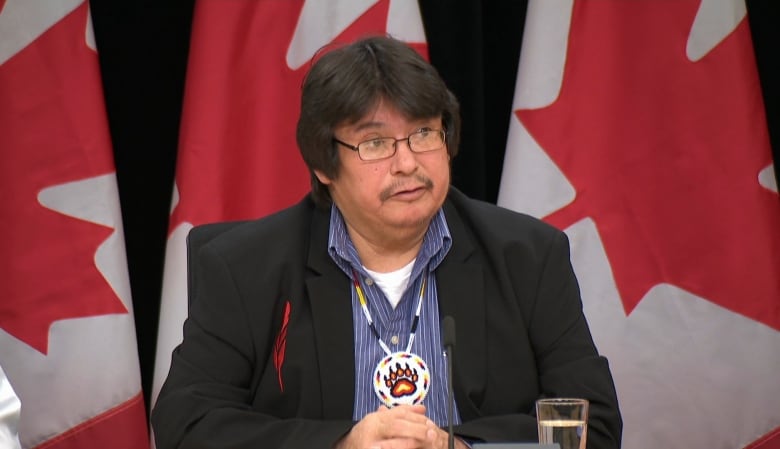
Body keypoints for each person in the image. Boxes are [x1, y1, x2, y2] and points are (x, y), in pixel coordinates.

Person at [151, 35, 622, 449]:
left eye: (423, 133)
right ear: (323, 163)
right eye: (375, 143)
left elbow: (591, 427)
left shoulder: (527, 256)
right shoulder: (246, 269)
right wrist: (342, 445)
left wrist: (461, 448)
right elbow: (185, 425)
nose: (407, 163)